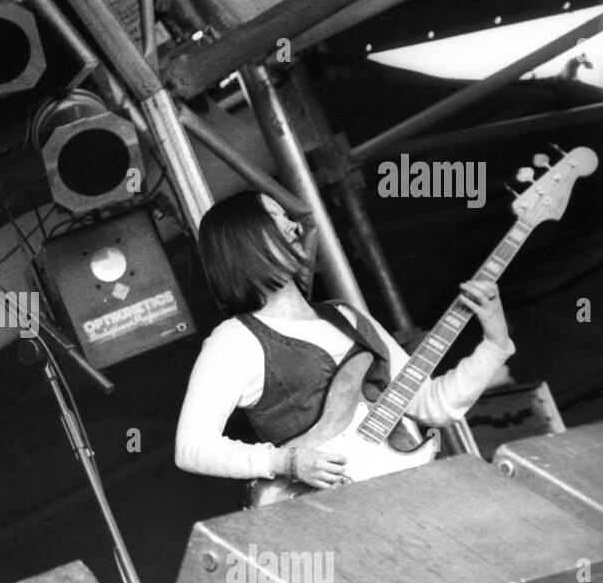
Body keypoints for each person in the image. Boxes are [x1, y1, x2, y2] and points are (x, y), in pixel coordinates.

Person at [175, 190, 515, 491]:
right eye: (276, 220)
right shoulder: (235, 341)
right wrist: (287, 463)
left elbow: (432, 404)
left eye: (288, 217)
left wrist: (496, 342)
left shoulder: (347, 317)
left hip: (411, 492)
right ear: (245, 242)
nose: (294, 226)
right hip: (332, 513)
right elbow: (192, 448)